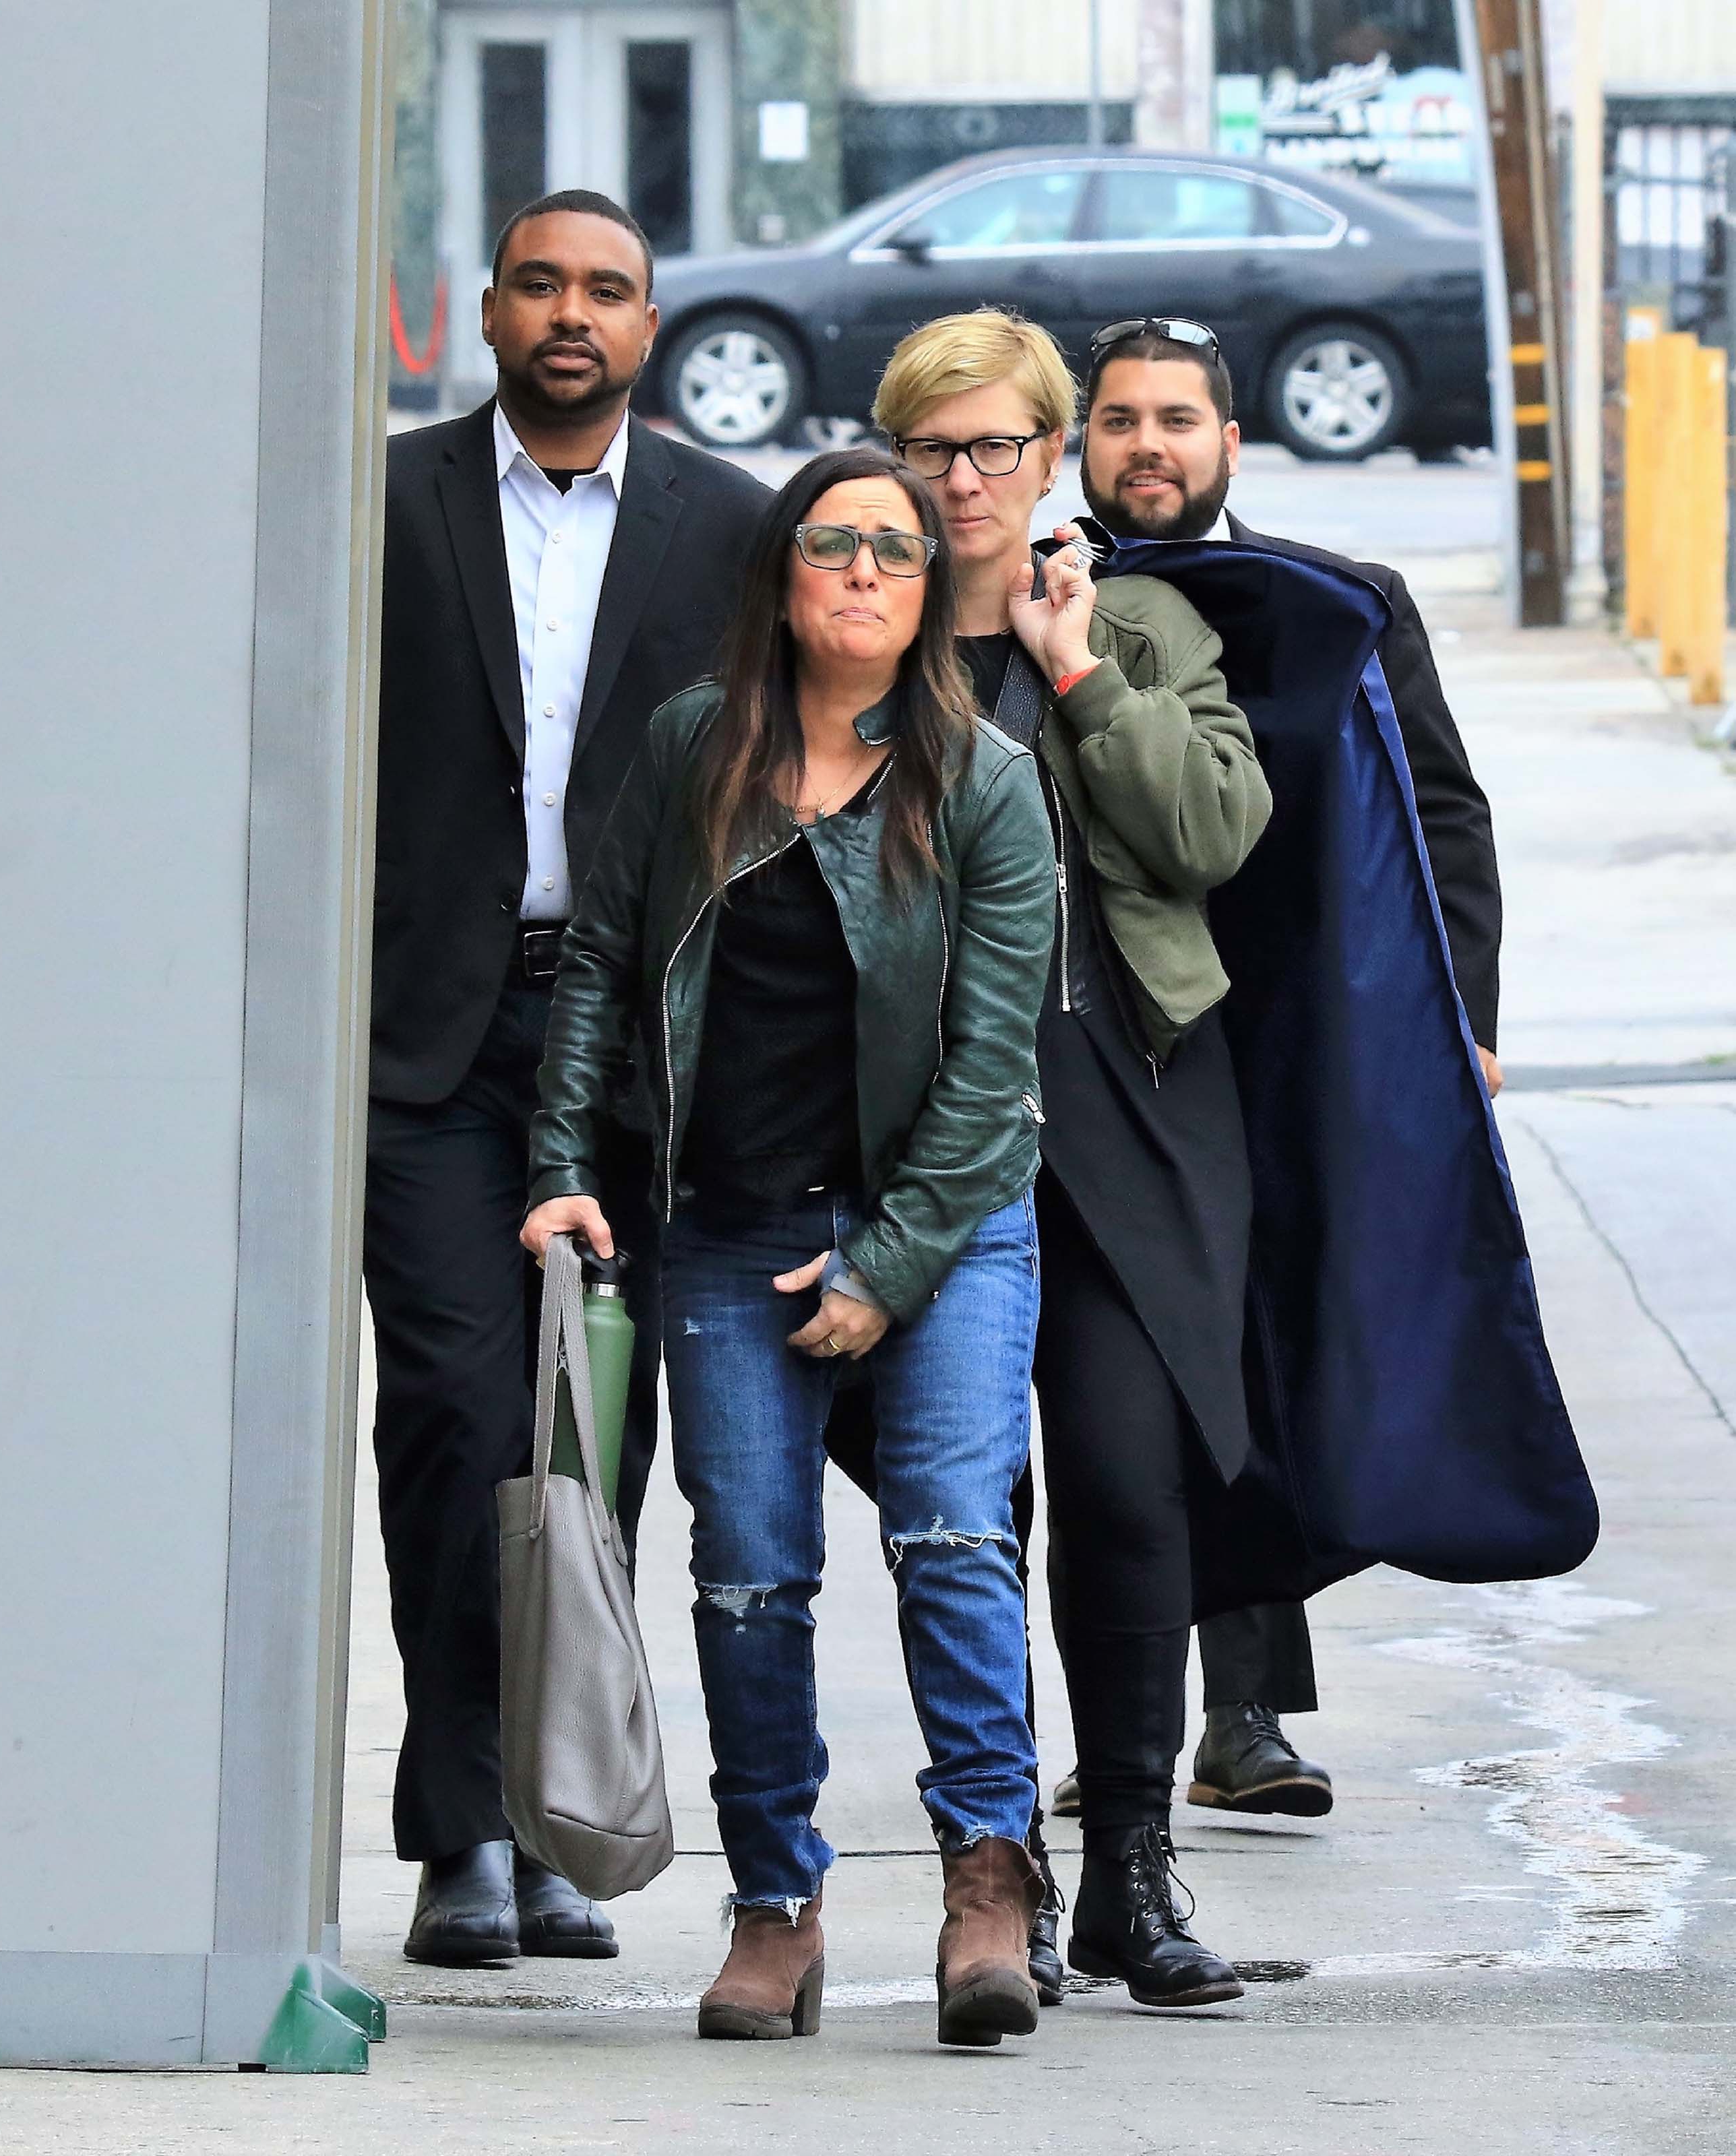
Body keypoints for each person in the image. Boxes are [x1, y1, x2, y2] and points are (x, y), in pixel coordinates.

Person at [521, 448, 1057, 2050]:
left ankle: (986, 1882)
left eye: (897, 551)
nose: (868, 573)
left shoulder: (983, 780)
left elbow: (988, 1065)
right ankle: (777, 1904)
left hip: (942, 1231)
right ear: (782, 573)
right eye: (834, 545)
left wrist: (884, 1268)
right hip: (725, 1230)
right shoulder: (697, 747)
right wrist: (559, 1161)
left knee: (955, 1539)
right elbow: (603, 959)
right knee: (748, 1577)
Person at [367, 189, 769, 1968]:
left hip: (630, 1057)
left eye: (606, 290)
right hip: (429, 1045)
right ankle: (456, 1828)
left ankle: (559, 1824)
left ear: (650, 325)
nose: (570, 315)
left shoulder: (729, 531)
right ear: (484, 307)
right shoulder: (384, 504)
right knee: (457, 1421)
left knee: (592, 1433)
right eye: (539, 283)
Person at [867, 310, 1272, 2008]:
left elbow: (1208, 837)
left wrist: (1077, 667)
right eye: (931, 449)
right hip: (920, 1139)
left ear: (1054, 459)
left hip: (1120, 1107)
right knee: (969, 1521)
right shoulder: (854, 630)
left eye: (995, 449)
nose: (961, 482)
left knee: (1121, 1486)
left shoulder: (1144, 620)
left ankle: (1128, 1871)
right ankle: (999, 1871)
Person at [1074, 316, 1503, 1821]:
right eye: (1117, 419)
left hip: (1303, 1032)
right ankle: (1118, 1710)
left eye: (1174, 420)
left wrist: (1465, 1020)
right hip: (1110, 1042)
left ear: (1227, 442)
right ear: (1081, 440)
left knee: (1259, 1353)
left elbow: (1437, 814)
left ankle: (1244, 1711)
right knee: (1122, 1383)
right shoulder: (1043, 598)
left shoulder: (1341, 604)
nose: (1145, 446)